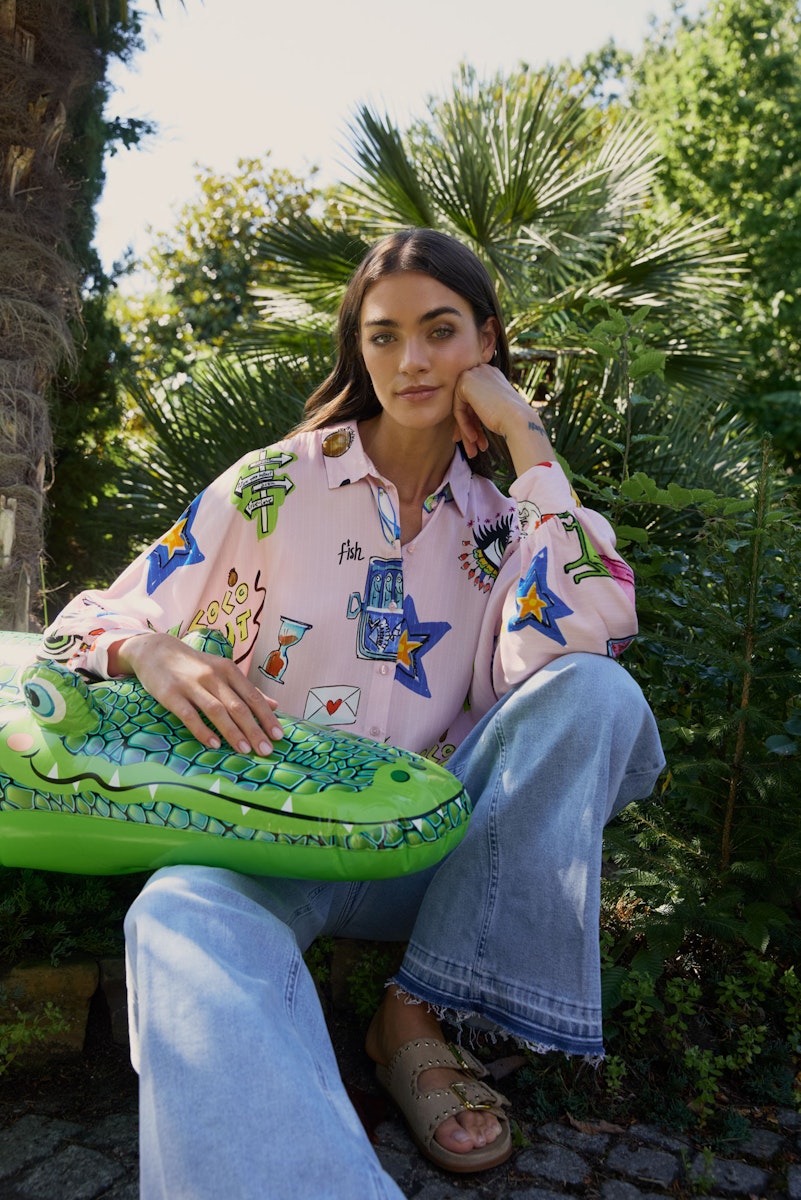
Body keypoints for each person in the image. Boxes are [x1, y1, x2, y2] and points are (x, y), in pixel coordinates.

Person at [43, 228, 665, 1198]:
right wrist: (151, 650)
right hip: (267, 836)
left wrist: (523, 436)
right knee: (173, 911)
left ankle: (417, 1007)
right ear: (359, 350)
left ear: (486, 341)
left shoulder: (506, 525)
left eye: (440, 331)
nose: (411, 360)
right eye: (383, 336)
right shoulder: (274, 485)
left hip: (436, 852)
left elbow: (587, 633)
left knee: (598, 691)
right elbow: (85, 623)